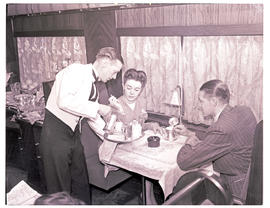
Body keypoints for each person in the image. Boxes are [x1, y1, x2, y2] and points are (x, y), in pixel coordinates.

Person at [39, 47, 123, 204]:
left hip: (73, 134)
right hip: (55, 134)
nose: (115, 76)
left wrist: (109, 135)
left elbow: (92, 116)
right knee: (59, 188)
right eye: (114, 71)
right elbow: (64, 101)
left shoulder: (94, 87)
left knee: (81, 182)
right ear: (105, 62)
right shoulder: (75, 70)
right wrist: (98, 107)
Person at [174, 79, 257, 203]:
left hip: (236, 187)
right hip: (251, 177)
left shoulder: (222, 128)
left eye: (201, 101)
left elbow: (184, 162)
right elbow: (219, 137)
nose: (198, 106)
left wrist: (188, 141)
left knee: (185, 190)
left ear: (214, 101)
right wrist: (190, 132)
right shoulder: (243, 110)